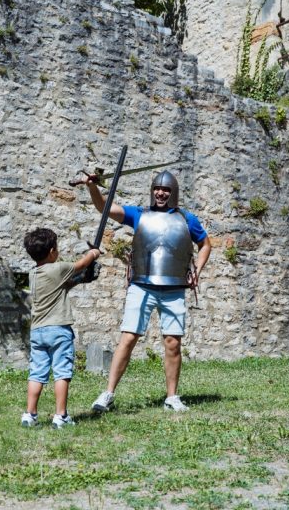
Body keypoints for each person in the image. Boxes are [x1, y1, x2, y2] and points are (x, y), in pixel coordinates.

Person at [82, 171, 212, 412]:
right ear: (152, 191)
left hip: (174, 288)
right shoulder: (139, 215)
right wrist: (92, 188)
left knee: (173, 342)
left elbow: (205, 244)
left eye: (166, 190)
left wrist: (198, 271)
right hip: (141, 285)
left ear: (173, 193)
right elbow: (105, 207)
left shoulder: (187, 219)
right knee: (128, 338)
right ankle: (108, 394)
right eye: (157, 189)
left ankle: (172, 397)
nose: (161, 193)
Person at [21, 228, 101, 429]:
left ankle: (30, 414)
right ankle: (61, 415)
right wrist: (93, 253)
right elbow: (81, 264)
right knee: (61, 372)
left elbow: (63, 286)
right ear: (51, 252)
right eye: (56, 247)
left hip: (38, 331)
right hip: (58, 330)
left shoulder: (33, 274)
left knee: (36, 373)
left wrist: (84, 277)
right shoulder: (57, 268)